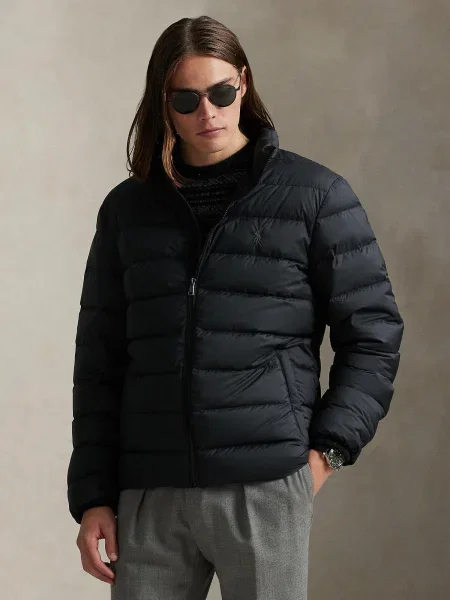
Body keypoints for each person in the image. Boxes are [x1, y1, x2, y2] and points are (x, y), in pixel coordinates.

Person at [67, 15, 404, 600]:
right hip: (150, 494)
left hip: (265, 488)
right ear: (163, 104)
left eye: (221, 93)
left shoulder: (315, 196)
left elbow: (374, 336)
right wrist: (95, 494)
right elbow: (99, 361)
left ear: (243, 84)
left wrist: (326, 453)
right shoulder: (127, 211)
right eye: (186, 99)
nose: (209, 113)